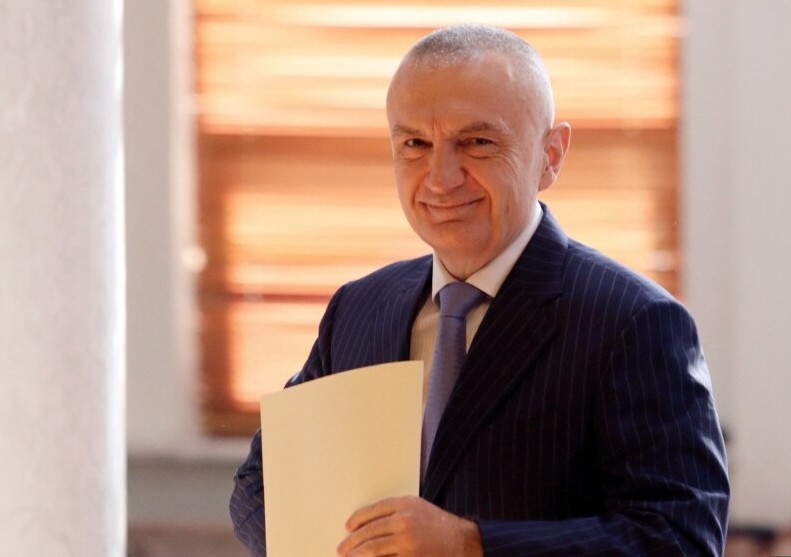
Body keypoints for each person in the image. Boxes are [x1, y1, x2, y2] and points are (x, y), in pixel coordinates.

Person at [230, 23, 730, 557]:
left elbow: (681, 539)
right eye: (415, 144)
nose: (440, 178)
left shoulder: (634, 321)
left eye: (478, 142)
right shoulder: (359, 308)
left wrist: (471, 545)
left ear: (551, 155)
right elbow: (260, 486)